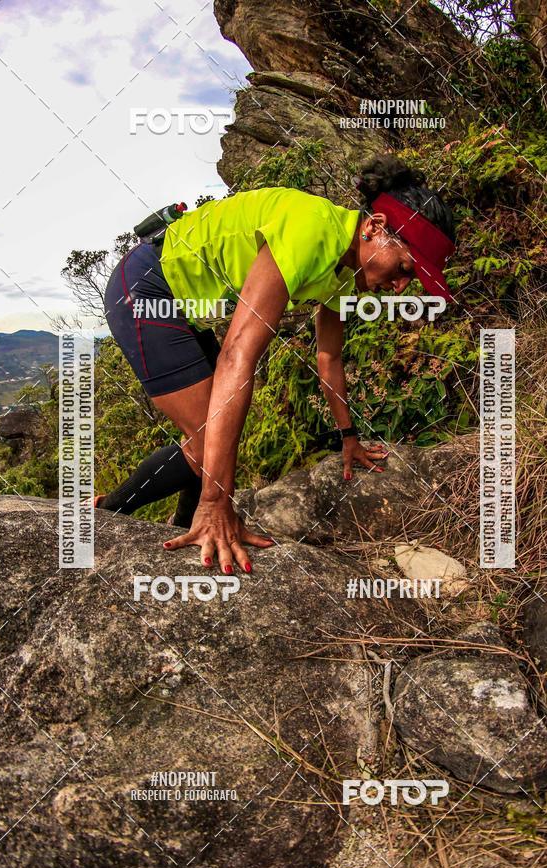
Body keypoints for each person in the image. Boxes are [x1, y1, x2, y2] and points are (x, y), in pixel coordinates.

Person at [97, 155, 456, 573]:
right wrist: (218, 501)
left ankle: (183, 534)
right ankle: (114, 515)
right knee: (211, 441)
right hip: (147, 286)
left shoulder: (345, 271)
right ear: (375, 227)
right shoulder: (310, 230)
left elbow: (329, 357)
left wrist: (349, 438)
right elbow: (238, 353)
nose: (400, 286)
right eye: (405, 268)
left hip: (186, 303)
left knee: (212, 442)